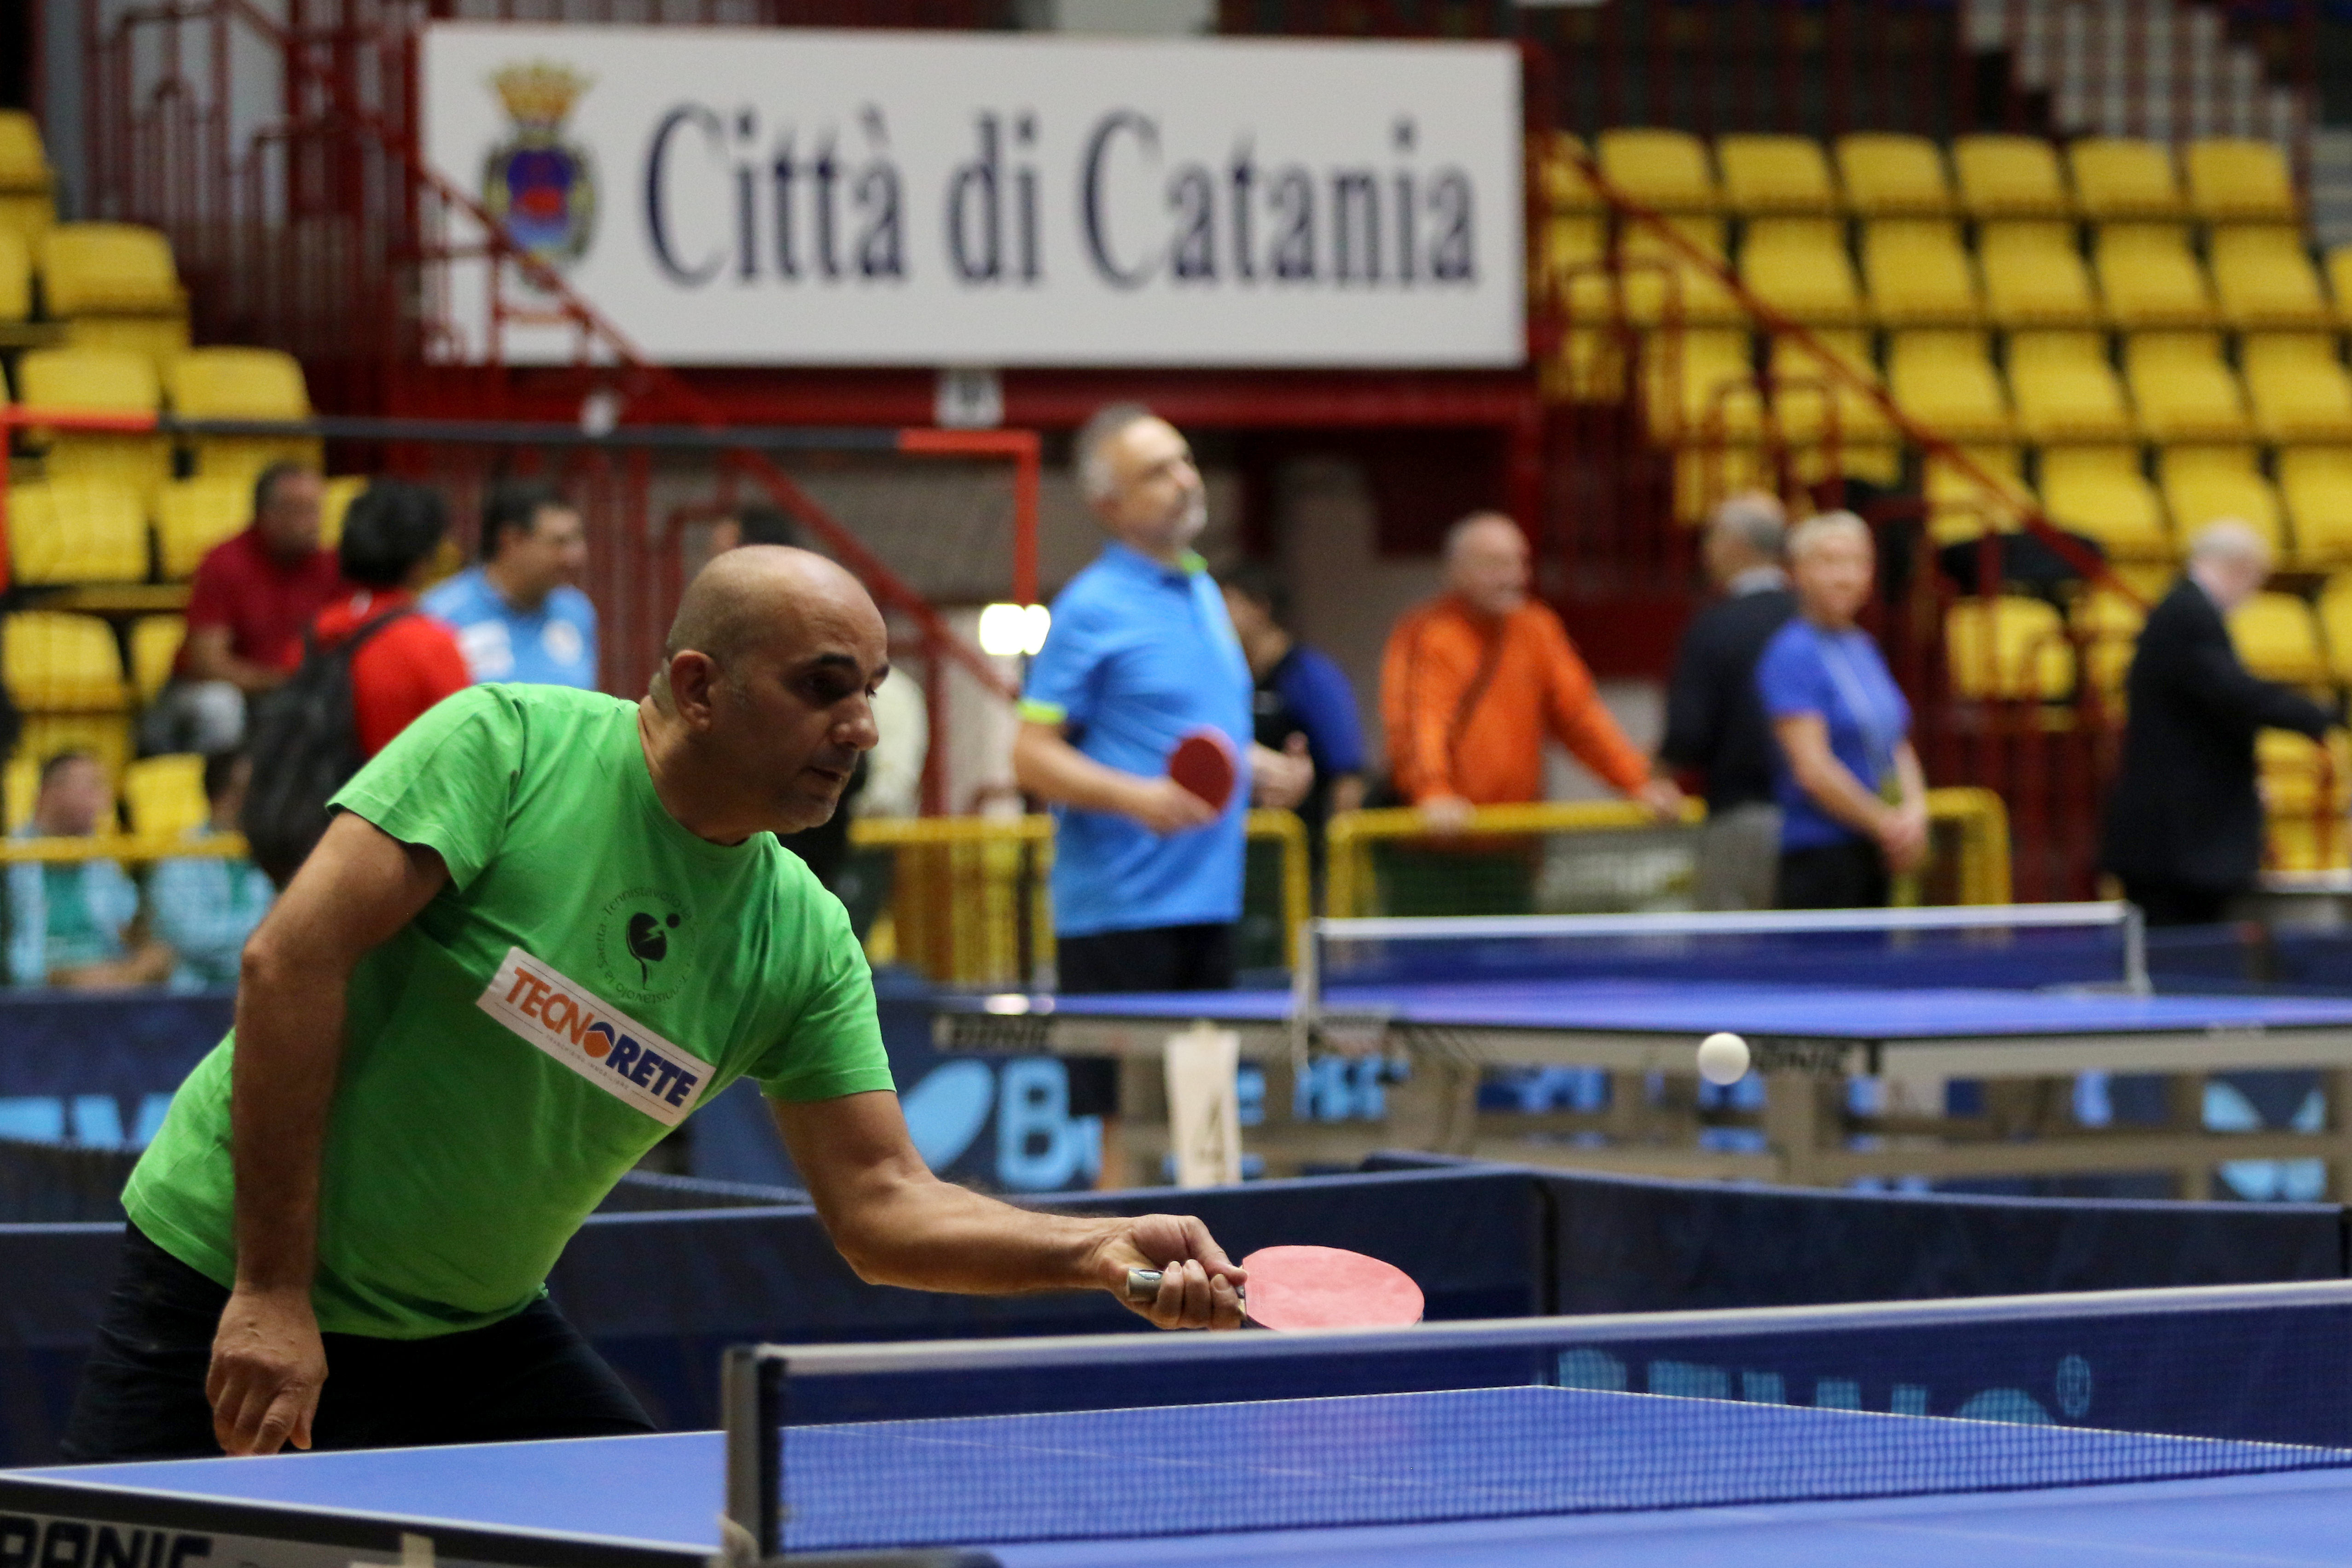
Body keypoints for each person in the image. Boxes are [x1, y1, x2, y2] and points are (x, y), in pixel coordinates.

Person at [65, 546, 1244, 1465]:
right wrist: (272, 1290)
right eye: (820, 687)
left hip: (470, 1334)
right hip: (226, 1279)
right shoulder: (507, 749)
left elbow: (882, 1201)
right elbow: (289, 960)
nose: (862, 729)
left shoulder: (800, 934)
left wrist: (1088, 1246)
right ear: (697, 687)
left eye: (870, 692)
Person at [1011, 405, 1311, 1185]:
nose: (1183, 481)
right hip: (1120, 913)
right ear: (1106, 504)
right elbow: (1030, 754)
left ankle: (1208, 1298)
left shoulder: (1204, 591)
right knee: (1130, 1140)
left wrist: (1258, 769)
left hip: (1207, 901)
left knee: (1205, 1129)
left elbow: (1179, 738)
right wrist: (1138, 799)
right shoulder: (1089, 607)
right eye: (1155, 472)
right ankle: (1127, 1302)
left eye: (1183, 461)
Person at [1377, 512, 1681, 914]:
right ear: (1455, 570)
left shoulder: (1537, 629)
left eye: (1520, 562)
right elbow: (1419, 722)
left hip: (1511, 845)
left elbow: (1580, 717)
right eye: (1496, 564)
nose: (1515, 576)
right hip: (1432, 850)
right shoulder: (1430, 633)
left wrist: (1636, 782)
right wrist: (1433, 791)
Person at [2101, 519, 2335, 927]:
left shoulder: (2180, 611)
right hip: (2178, 838)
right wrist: (2319, 715)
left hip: (2180, 834)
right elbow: (2231, 693)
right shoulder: (2187, 615)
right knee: (2182, 956)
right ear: (2240, 567)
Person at [1755, 511, 1929, 910]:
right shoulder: (1792, 653)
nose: (1845, 576)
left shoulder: (1862, 646)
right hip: (1821, 855)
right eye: (1830, 562)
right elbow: (1812, 768)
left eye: (1857, 562)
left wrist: (1914, 814)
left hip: (1876, 848)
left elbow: (1894, 741)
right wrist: (1885, 825)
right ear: (1797, 571)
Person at [1657, 492, 1798, 911]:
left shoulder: (1715, 627)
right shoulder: (1809, 619)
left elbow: (1688, 731)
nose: (1706, 551)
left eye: (1712, 537)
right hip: (1820, 825)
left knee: (1733, 955)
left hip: (1742, 819)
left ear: (1736, 545)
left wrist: (1654, 773)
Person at [145, 465, 344, 755]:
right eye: (297, 510)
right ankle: (221, 791)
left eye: (315, 510)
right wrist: (283, 683)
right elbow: (207, 663)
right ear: (265, 513)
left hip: (291, 697)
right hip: (207, 698)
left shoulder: (331, 566)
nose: (311, 522)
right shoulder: (225, 563)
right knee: (220, 705)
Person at [1219, 561, 1367, 879]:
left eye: (1226, 603)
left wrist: (1342, 870)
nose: (1215, 616)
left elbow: (1348, 778)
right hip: (1244, 856)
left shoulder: (1310, 676)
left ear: (1260, 609)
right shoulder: (1226, 677)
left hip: (1302, 858)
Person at [313, 480, 473, 760]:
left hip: (321, 800)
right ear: (424, 559)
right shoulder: (432, 644)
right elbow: (465, 750)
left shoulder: (322, 628)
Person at [6, 752, 174, 989]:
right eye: (93, 787)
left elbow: (127, 925)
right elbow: (16, 961)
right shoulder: (10, 858)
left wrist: (142, 962)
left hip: (106, 982)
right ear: (51, 792)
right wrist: (70, 979)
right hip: (36, 996)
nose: (105, 801)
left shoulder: (102, 859)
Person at [423, 481, 598, 689]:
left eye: (578, 540)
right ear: (512, 540)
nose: (576, 556)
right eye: (559, 543)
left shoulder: (575, 611)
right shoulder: (440, 616)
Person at [150, 752, 276, 991]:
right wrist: (267, 929)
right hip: (196, 995)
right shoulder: (181, 854)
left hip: (268, 988)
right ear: (224, 797)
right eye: (254, 789)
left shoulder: (274, 848)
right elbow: (190, 936)